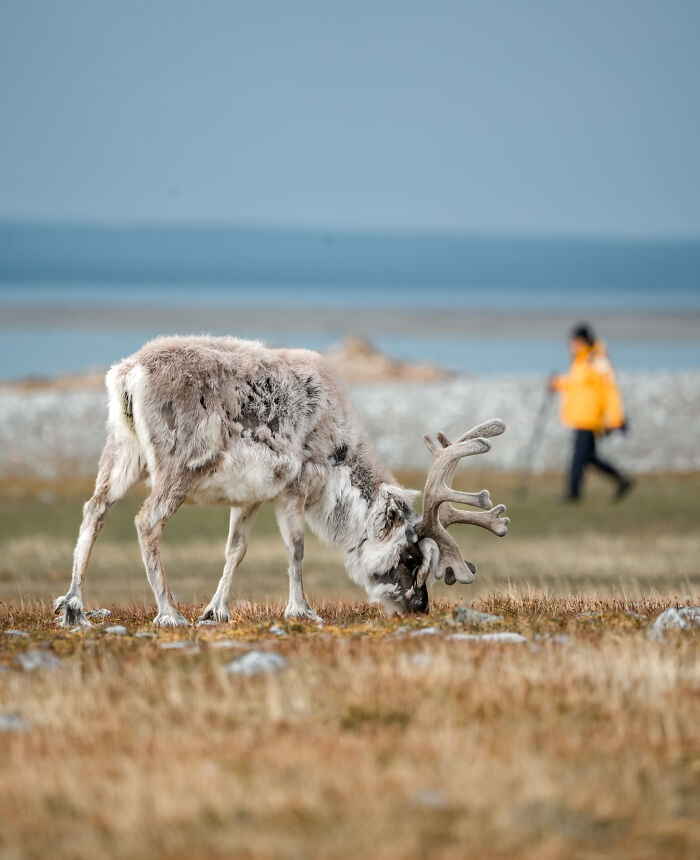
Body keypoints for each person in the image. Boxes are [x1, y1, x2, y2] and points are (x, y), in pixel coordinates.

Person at [549, 323, 634, 502]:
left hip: (591, 418)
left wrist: (616, 418)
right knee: (588, 457)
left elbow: (610, 390)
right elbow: (576, 385)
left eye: (574, 342)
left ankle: (573, 495)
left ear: (583, 341)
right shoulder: (580, 361)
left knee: (579, 458)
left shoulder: (598, 361)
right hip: (581, 416)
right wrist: (557, 383)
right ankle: (621, 480)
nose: (571, 346)